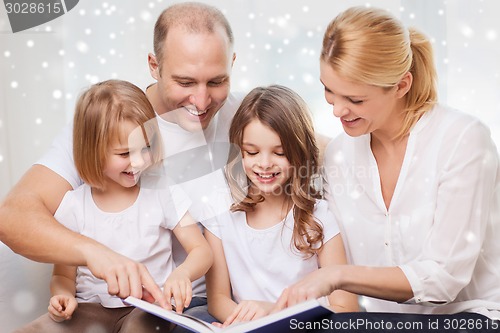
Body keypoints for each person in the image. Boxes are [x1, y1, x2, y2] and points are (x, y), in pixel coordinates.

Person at [0, 1, 241, 325]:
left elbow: (308, 145)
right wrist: (95, 254)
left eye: (216, 82)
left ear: (232, 65)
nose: (201, 100)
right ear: (154, 65)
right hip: (97, 305)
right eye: (185, 82)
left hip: (181, 308)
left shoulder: (245, 118)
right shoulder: (106, 124)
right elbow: (12, 218)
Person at [275, 6, 500, 330]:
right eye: (328, 90)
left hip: (471, 318)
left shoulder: (462, 140)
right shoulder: (339, 155)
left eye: (355, 99)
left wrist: (338, 275)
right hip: (381, 323)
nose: (338, 109)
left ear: (401, 85)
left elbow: (442, 279)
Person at [14, 80, 213, 333]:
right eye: (124, 154)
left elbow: (201, 250)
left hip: (150, 309)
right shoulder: (74, 205)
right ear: (94, 151)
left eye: (147, 148)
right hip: (89, 309)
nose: (139, 161)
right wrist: (62, 297)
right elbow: (63, 275)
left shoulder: (163, 191)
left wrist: (183, 273)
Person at [202, 85, 359, 327]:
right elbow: (218, 299)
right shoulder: (221, 214)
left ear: (298, 152)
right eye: (252, 152)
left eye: (279, 153)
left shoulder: (319, 217)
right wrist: (239, 324)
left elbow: (345, 307)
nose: (264, 164)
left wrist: (273, 313)